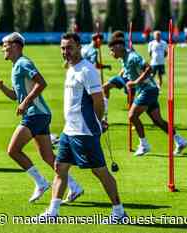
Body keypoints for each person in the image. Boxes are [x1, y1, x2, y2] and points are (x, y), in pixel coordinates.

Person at [38, 33, 127, 223]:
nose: (65, 52)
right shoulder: (71, 68)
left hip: (84, 132)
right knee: (60, 168)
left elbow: (98, 100)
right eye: (63, 48)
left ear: (79, 47)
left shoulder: (87, 70)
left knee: (100, 171)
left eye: (69, 47)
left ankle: (119, 212)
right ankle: (53, 212)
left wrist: (98, 121)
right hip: (69, 131)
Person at [0, 32, 82, 203]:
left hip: (36, 114)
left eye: (5, 44)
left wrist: (25, 102)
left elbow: (42, 83)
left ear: (16, 46)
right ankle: (74, 186)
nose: (2, 48)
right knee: (48, 157)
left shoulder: (23, 63)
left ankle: (41, 183)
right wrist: (2, 87)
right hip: (39, 114)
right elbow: (15, 96)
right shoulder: (16, 65)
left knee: (13, 150)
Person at [108, 38, 187, 156]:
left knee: (132, 116)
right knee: (158, 121)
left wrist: (135, 82)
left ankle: (144, 145)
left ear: (119, 47)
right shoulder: (124, 59)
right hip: (146, 90)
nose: (111, 53)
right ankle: (180, 141)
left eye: (112, 50)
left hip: (148, 90)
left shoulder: (132, 57)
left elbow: (149, 68)